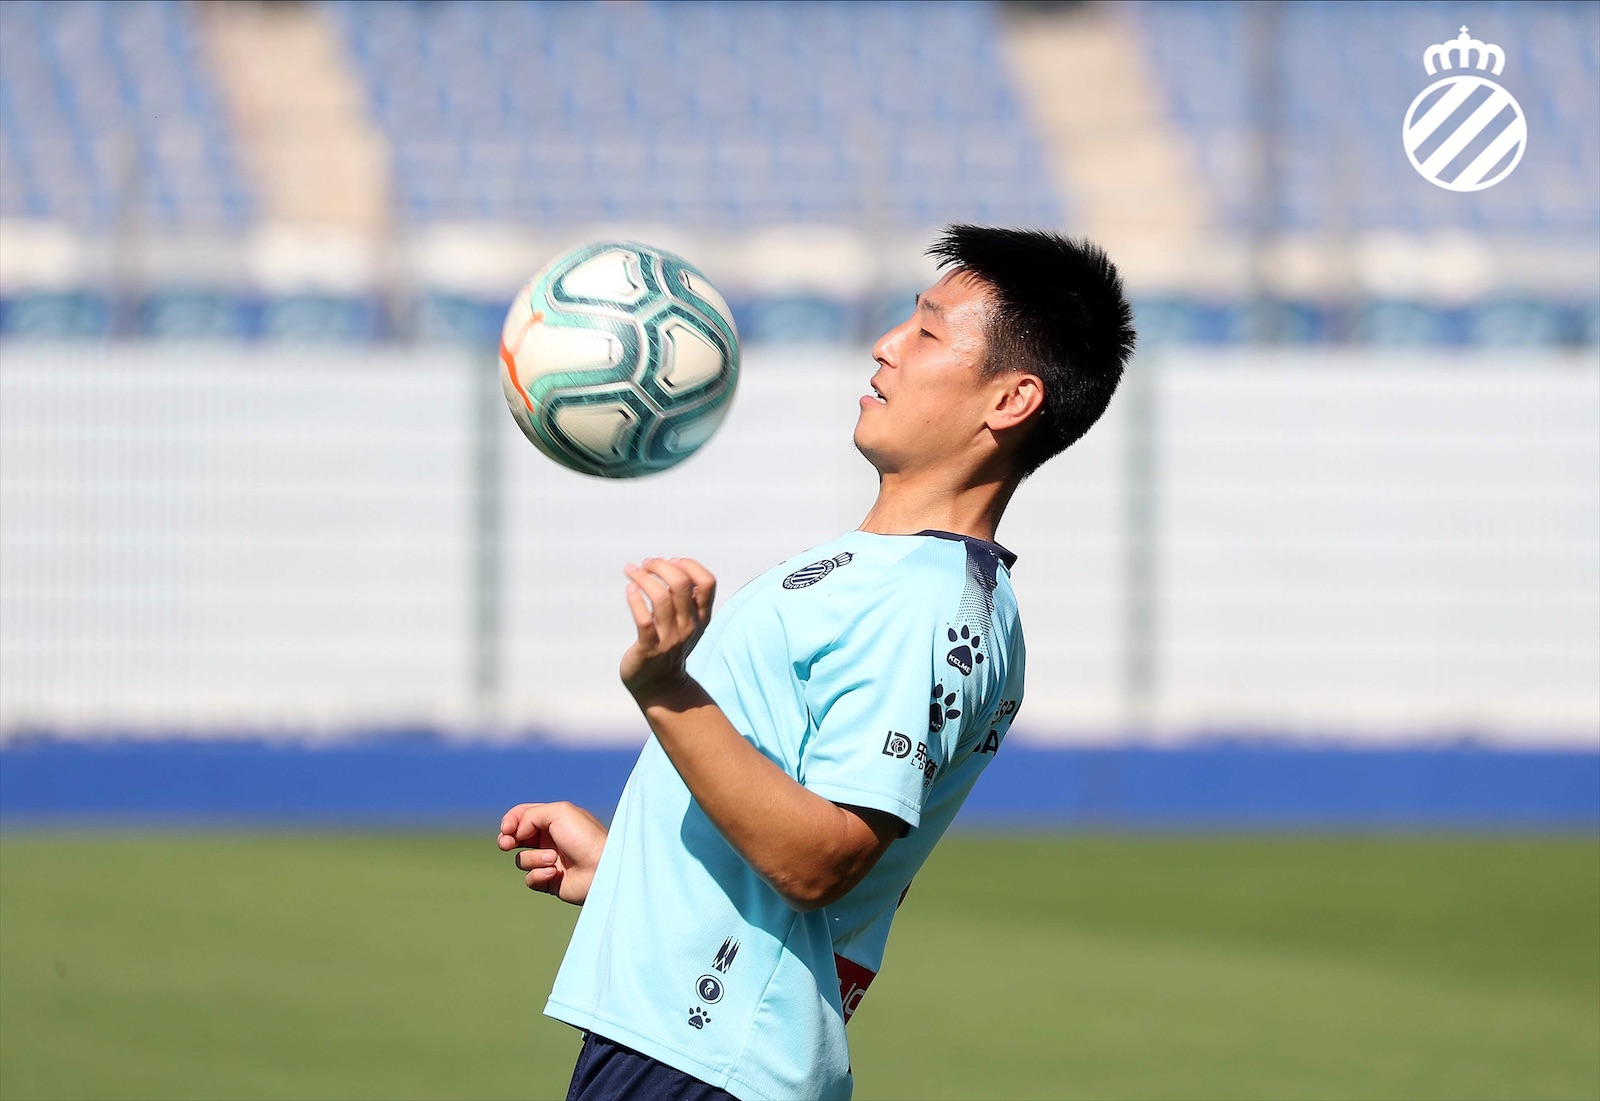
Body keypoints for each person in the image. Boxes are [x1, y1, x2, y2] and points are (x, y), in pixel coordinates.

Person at [497, 225, 1136, 1101]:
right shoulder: (891, 576)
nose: (886, 345)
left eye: (927, 330)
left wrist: (667, 691)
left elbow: (823, 859)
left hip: (708, 1061)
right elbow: (800, 870)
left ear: (1011, 399)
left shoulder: (924, 603)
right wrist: (635, 875)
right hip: (679, 1045)